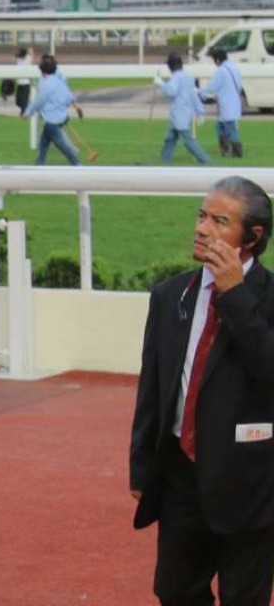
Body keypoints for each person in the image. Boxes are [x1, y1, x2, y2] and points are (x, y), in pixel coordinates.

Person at [130, 176, 274, 606]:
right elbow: (153, 387)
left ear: (252, 237)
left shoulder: (268, 298)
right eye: (201, 215)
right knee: (175, 592)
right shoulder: (171, 294)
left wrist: (235, 296)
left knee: (243, 598)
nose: (202, 228)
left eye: (219, 220)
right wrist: (142, 467)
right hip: (180, 476)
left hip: (250, 481)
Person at [22, 53, 81, 165]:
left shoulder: (45, 83)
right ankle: (39, 165)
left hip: (52, 121)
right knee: (43, 145)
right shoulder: (60, 80)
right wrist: (73, 105)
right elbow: (68, 96)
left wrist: (27, 113)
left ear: (42, 70)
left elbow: (38, 102)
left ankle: (78, 165)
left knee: (64, 147)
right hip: (59, 118)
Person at [155, 53, 211, 165]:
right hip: (182, 114)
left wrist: (161, 83)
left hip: (179, 114)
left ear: (170, 67)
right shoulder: (187, 77)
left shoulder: (176, 77)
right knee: (170, 139)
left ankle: (207, 162)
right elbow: (194, 96)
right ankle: (164, 162)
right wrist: (200, 112)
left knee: (188, 141)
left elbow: (171, 92)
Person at [200, 48, 244, 158]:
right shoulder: (233, 67)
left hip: (227, 104)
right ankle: (225, 149)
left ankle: (237, 151)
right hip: (233, 102)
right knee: (220, 127)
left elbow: (213, 86)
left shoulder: (221, 71)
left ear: (218, 59)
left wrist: (201, 91)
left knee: (230, 129)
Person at [13, 47, 33, 115]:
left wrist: (29, 51)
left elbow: (31, 54)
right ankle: (25, 109)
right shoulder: (18, 58)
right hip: (19, 82)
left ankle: (24, 113)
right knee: (18, 101)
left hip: (26, 83)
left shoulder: (28, 58)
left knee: (24, 100)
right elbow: (16, 55)